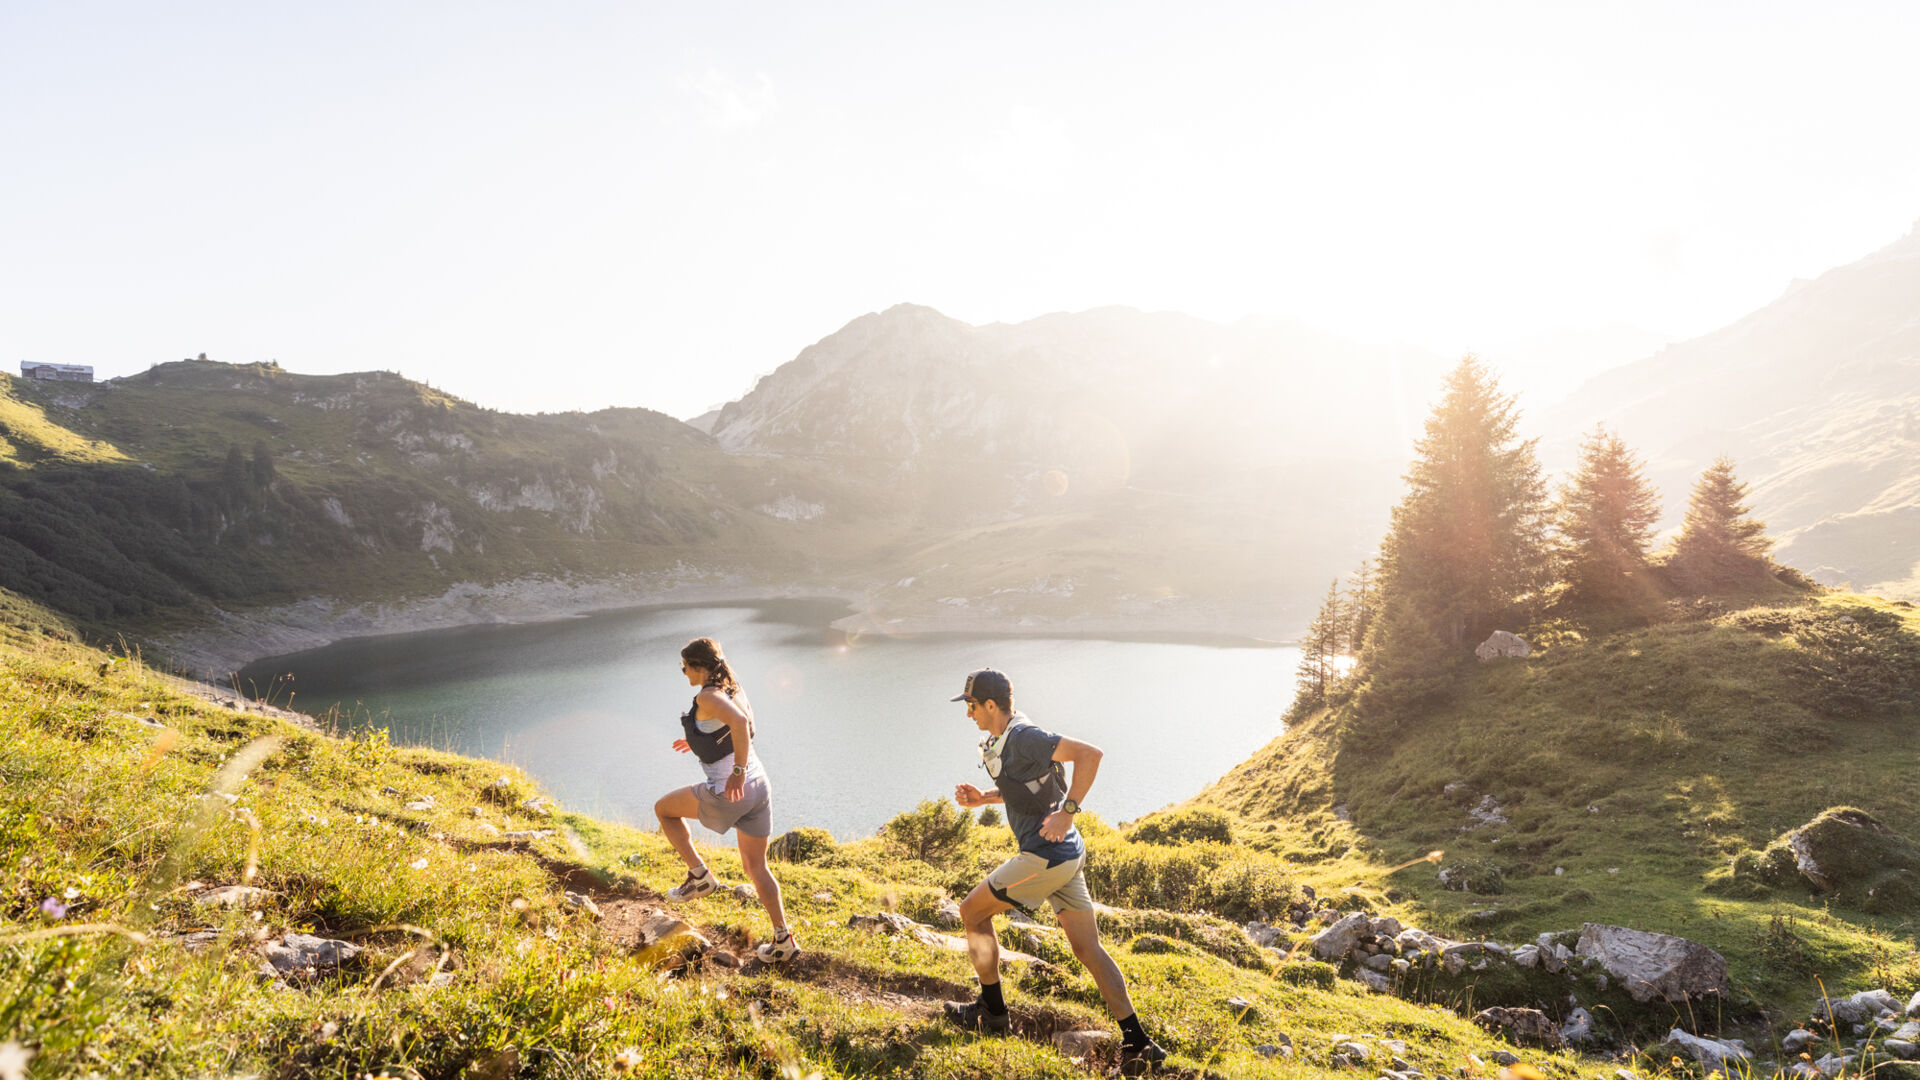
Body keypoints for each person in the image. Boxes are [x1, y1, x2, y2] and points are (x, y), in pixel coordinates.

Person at [943, 668, 1167, 1072]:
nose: (969, 714)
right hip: (1066, 855)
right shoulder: (1007, 737)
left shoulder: (1025, 737)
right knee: (1088, 949)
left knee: (970, 913)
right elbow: (1030, 788)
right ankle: (1140, 1043)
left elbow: (1090, 755)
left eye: (972, 705)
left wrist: (1068, 812)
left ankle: (992, 1014)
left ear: (991, 705)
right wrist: (983, 800)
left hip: (1044, 857)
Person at [653, 636, 798, 963]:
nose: (683, 672)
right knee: (757, 867)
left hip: (731, 790)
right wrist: (697, 742)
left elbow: (740, 724)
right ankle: (783, 940)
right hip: (759, 787)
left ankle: (699, 876)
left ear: (697, 666)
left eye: (684, 666)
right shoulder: (732, 687)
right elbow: (734, 729)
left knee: (664, 810)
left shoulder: (708, 695)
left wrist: (736, 771)